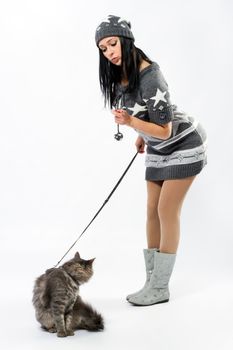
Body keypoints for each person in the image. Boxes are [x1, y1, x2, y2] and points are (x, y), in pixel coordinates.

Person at [95, 15, 207, 306]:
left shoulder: (149, 75)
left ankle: (160, 287)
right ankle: (151, 282)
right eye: (103, 48)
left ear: (125, 39)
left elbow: (166, 127)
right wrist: (141, 134)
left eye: (112, 43)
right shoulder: (123, 74)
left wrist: (132, 123)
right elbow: (150, 118)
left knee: (166, 210)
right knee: (150, 211)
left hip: (183, 143)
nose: (109, 52)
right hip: (159, 146)